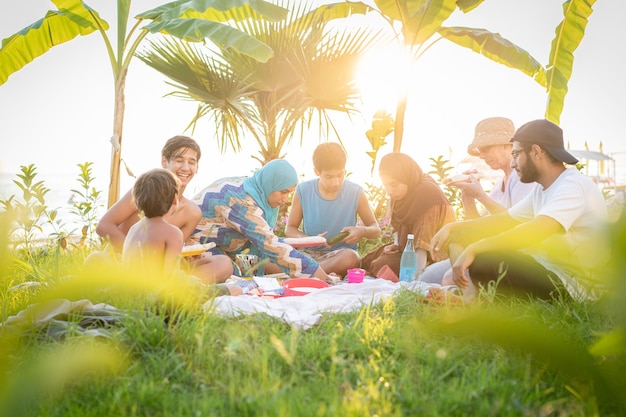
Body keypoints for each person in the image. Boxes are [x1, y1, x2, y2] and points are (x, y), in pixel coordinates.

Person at [430, 119, 610, 301]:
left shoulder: (573, 184)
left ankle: (472, 303)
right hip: (548, 271)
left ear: (536, 152)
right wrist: (454, 228)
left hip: (574, 287)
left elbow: (537, 230)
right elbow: (503, 220)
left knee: (484, 258)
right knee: (462, 237)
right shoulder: (542, 189)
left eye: (516, 154)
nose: (514, 163)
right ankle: (469, 299)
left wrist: (475, 248)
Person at [93, 135, 233, 283]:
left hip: (161, 269)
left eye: (191, 162)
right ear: (164, 162)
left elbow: (174, 251)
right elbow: (104, 226)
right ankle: (170, 286)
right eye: (179, 161)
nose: (185, 168)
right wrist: (138, 257)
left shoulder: (192, 212)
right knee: (97, 259)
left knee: (223, 263)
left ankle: (171, 287)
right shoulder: (144, 190)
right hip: (124, 262)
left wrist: (184, 259)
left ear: (197, 167)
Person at [419, 117, 537, 285]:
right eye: (480, 150)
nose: (482, 155)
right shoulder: (498, 186)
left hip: (513, 252)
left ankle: (470, 297)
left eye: (486, 148)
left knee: (447, 278)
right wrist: (468, 198)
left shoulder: (524, 179)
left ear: (508, 145)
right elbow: (479, 226)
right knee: (427, 276)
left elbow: (518, 222)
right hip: (489, 247)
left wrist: (481, 195)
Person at [188, 159, 334, 281]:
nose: (286, 199)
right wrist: (317, 274)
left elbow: (265, 239)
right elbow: (270, 244)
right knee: (235, 274)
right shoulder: (241, 200)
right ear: (271, 183)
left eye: (289, 193)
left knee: (253, 270)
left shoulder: (253, 188)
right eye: (283, 192)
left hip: (219, 247)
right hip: (193, 249)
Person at [122, 168, 241, 296]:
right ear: (175, 199)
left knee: (220, 263)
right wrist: (195, 284)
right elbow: (170, 279)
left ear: (136, 200)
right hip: (157, 295)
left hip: (131, 292)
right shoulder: (172, 233)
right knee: (235, 290)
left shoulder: (134, 229)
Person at [285, 142, 381, 276]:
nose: (336, 182)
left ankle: (305, 271)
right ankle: (316, 271)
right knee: (271, 257)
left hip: (339, 255)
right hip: (308, 255)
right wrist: (309, 240)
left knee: (350, 258)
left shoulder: (356, 192)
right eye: (329, 177)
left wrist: (362, 231)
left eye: (340, 175)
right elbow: (290, 229)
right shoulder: (303, 190)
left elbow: (375, 229)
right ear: (317, 172)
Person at [360, 152, 456, 278]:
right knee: (367, 260)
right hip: (407, 250)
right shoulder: (402, 191)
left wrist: (415, 279)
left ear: (407, 177)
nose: (389, 191)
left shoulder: (427, 196)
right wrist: (396, 245)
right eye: (385, 185)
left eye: (393, 185)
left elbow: (422, 245)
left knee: (382, 264)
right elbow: (397, 224)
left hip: (431, 257)